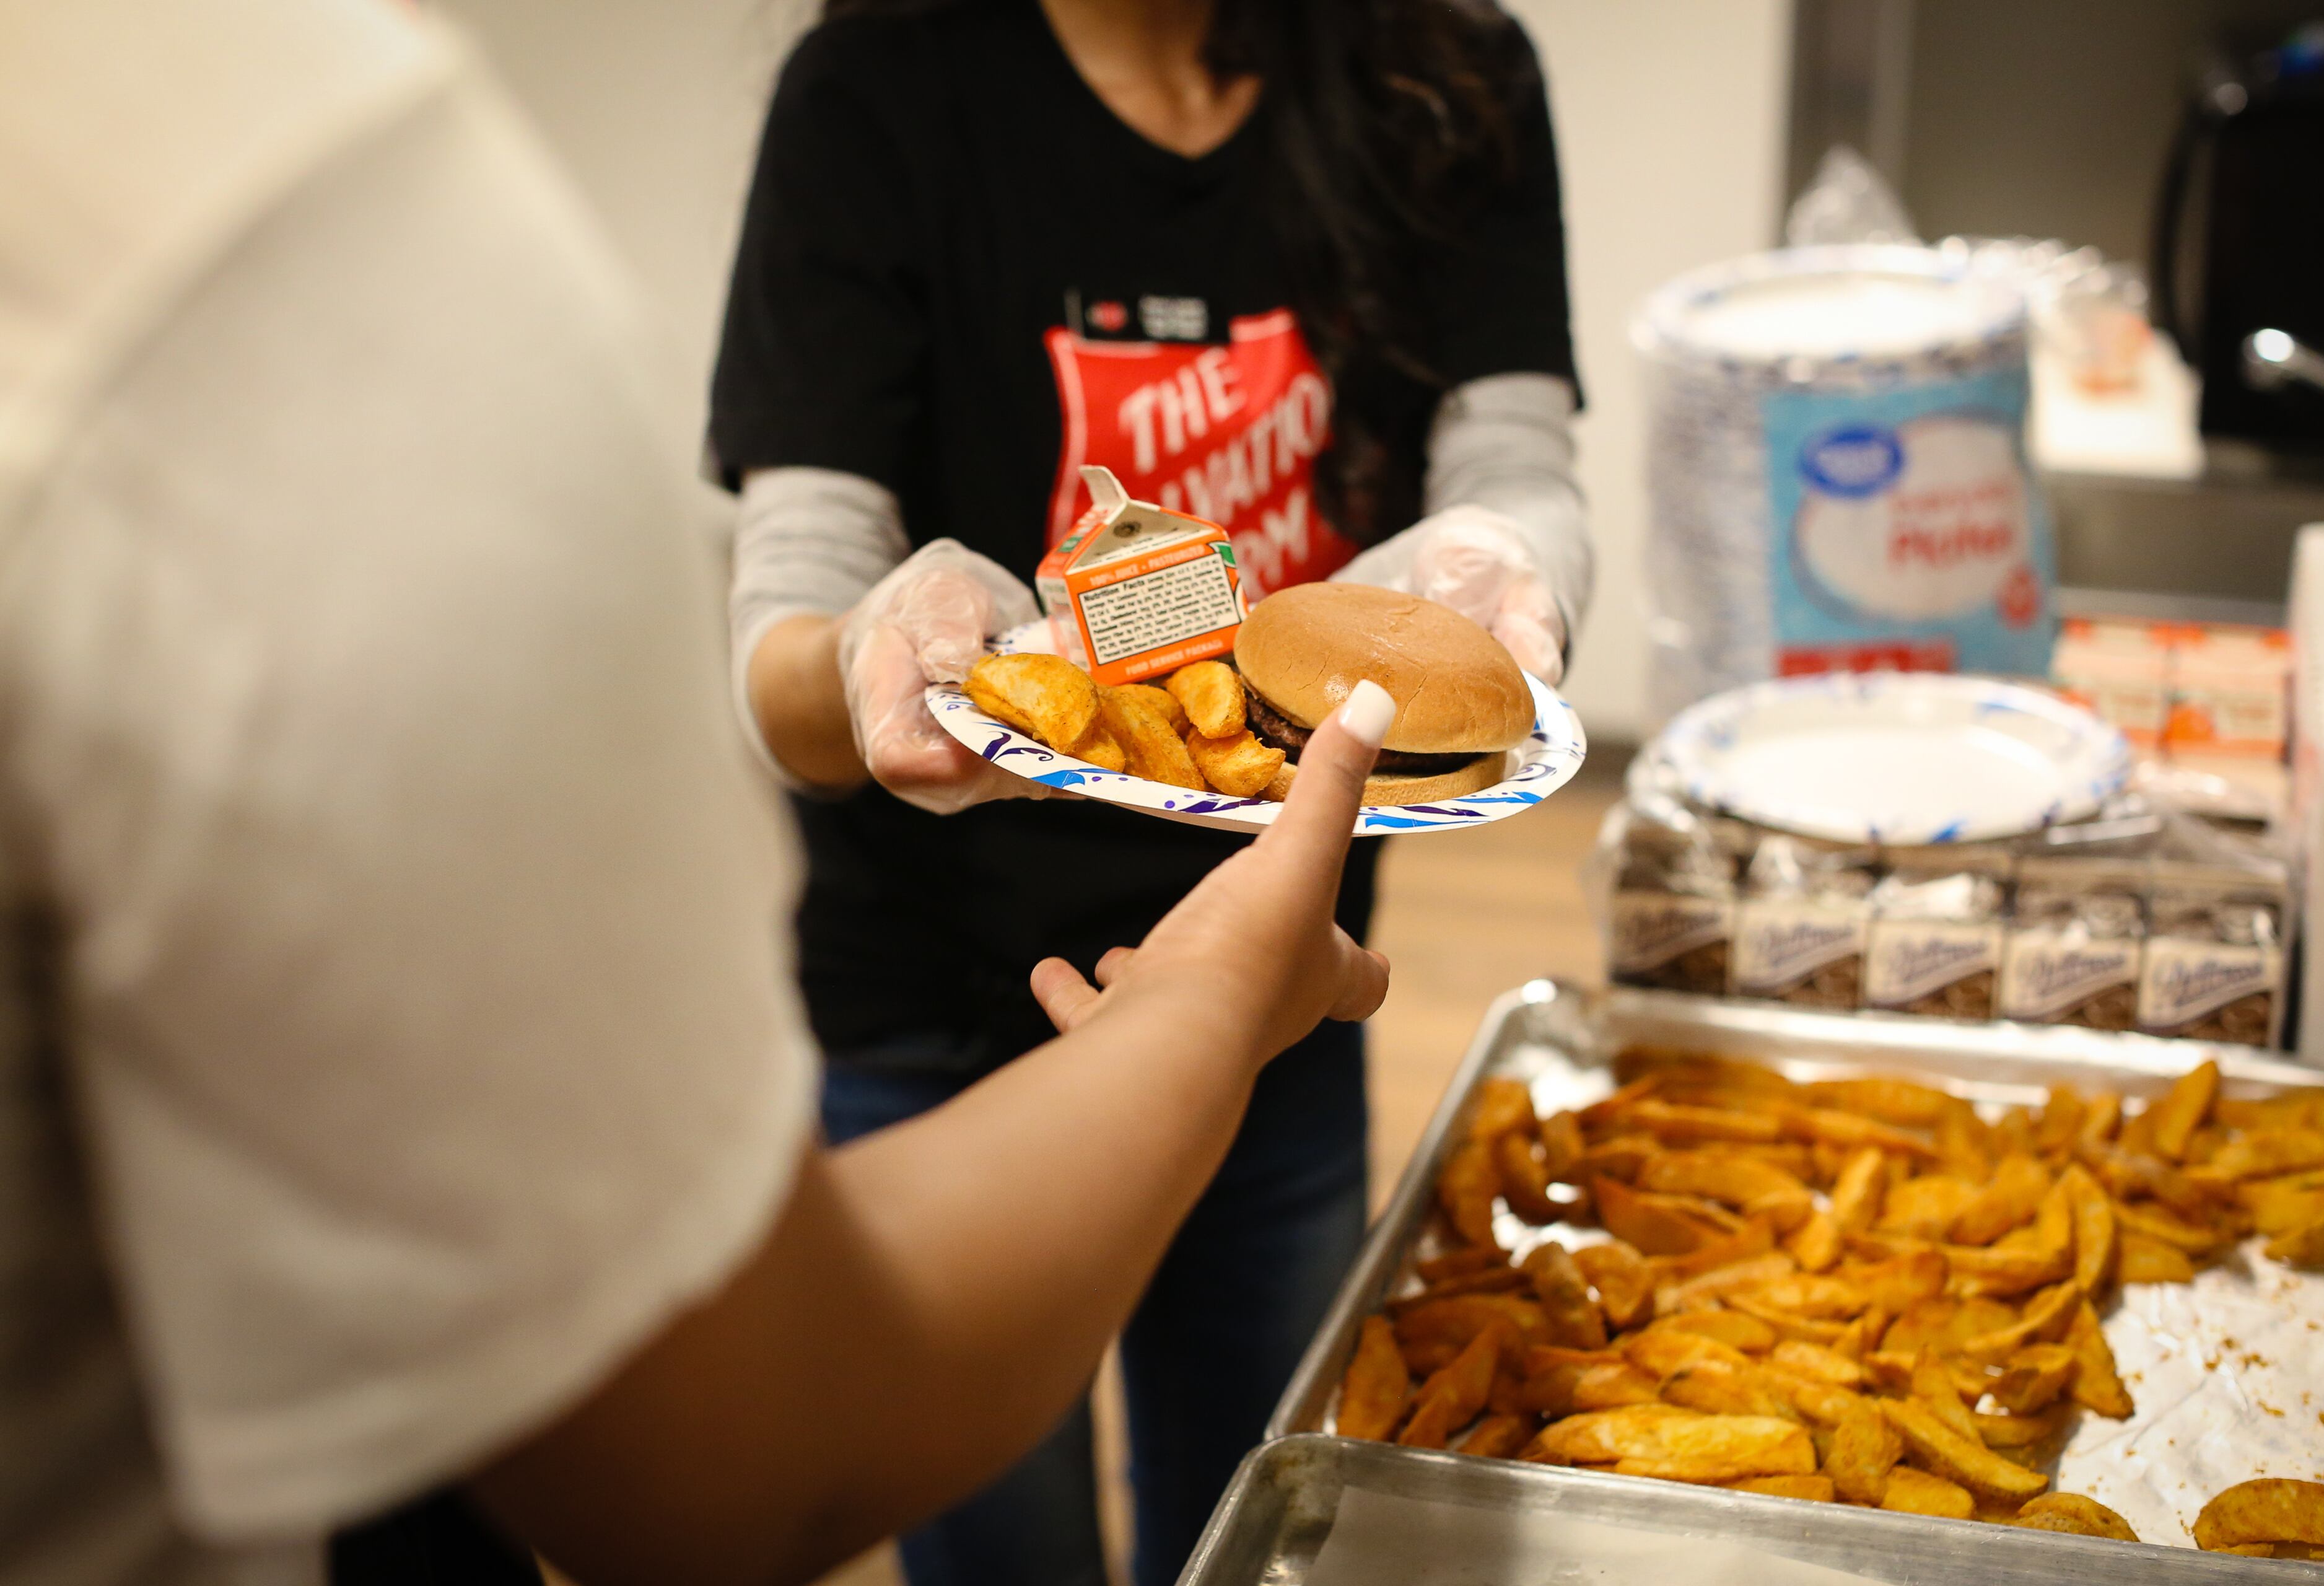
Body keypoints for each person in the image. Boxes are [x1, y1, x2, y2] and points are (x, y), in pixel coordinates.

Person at [0, 2, 1390, 1582]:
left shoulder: (1422, 75)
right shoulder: (265, 210)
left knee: (1258, 1484)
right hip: (937, 975)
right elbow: (745, 1451)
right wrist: (1217, 986)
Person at [712, 0, 1589, 1579]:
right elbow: (786, 615)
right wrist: (867, 649)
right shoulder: (878, 84)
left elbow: (1513, 455)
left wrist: (1510, 560)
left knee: (1257, 1518)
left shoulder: (1443, 68)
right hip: (936, 1005)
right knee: (1002, 1541)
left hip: (1283, 977)